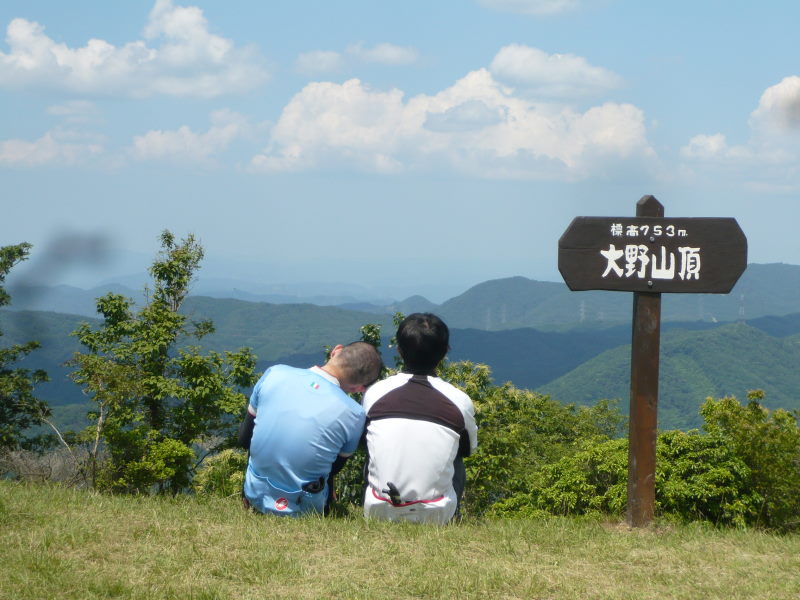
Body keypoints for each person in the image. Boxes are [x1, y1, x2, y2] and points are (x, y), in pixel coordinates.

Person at [238, 341, 383, 516]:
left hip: (255, 494)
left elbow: (244, 438)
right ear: (358, 388)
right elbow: (334, 467)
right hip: (305, 507)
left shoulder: (274, 373)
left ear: (336, 351)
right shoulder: (355, 414)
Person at [362, 313, 477, 524]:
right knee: (457, 451)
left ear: (399, 350)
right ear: (445, 353)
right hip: (435, 516)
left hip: (378, 511)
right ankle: (454, 516)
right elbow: (468, 450)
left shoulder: (375, 393)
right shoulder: (459, 401)